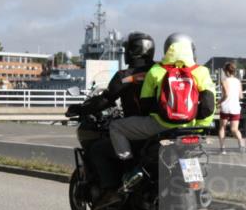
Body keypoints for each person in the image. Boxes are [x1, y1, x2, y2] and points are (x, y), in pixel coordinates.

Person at [109, 33, 216, 185]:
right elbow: (209, 106)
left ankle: (131, 169)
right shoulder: (201, 71)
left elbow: (145, 105)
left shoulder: (156, 70)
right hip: (191, 128)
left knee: (116, 127)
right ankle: (197, 187)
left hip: (161, 126)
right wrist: (198, 127)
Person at [68, 32, 156, 192]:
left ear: (132, 51)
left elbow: (105, 100)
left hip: (138, 131)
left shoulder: (126, 76)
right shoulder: (161, 71)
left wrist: (80, 109)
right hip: (163, 129)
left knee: (98, 149)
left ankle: (111, 191)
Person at [217, 62, 245, 154]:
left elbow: (226, 95)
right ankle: (241, 143)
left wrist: (218, 102)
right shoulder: (238, 81)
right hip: (235, 107)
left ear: (226, 71)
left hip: (225, 107)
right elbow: (241, 96)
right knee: (234, 129)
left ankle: (222, 148)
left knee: (222, 128)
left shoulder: (224, 81)